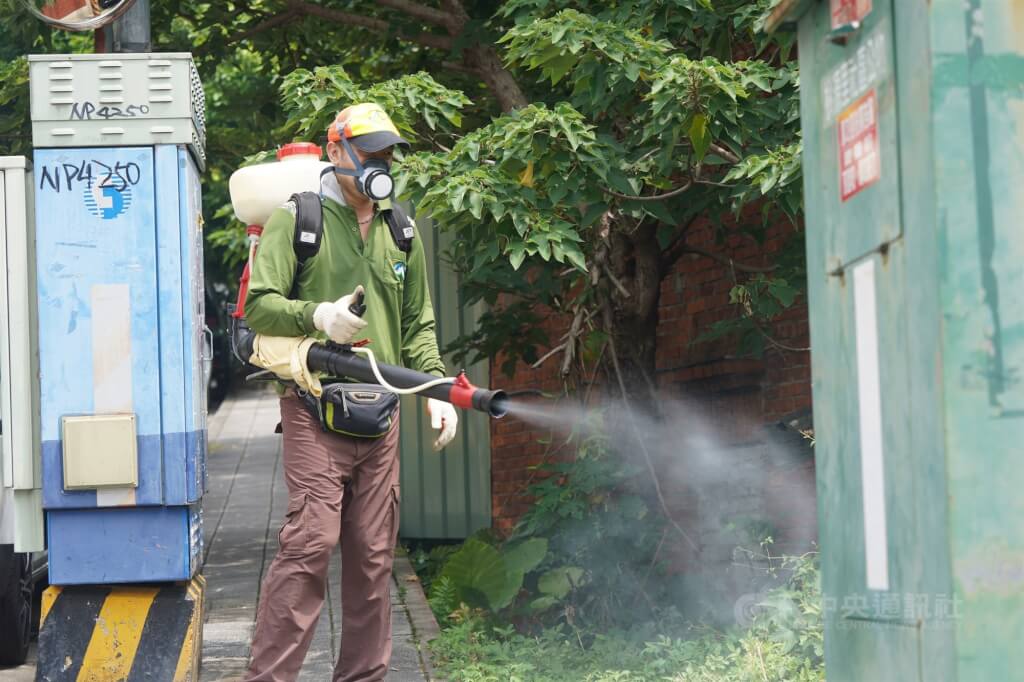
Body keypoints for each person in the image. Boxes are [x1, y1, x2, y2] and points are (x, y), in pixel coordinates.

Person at [242, 103, 458, 682]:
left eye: (388, 154)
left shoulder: (400, 228)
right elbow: (259, 304)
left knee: (372, 558)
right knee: (311, 543)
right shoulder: (300, 218)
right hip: (314, 406)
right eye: (371, 153)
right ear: (336, 152)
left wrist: (436, 388)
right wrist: (318, 314)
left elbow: (419, 324)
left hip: (380, 417)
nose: (381, 165)